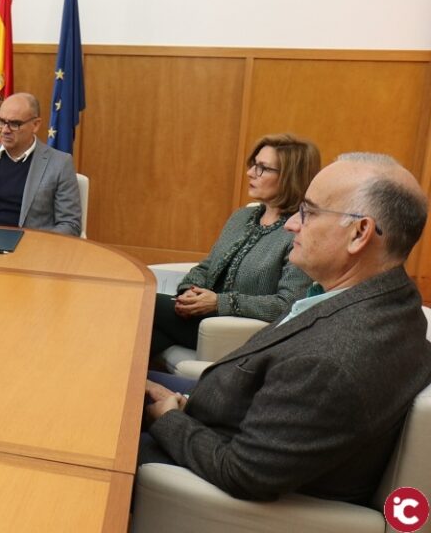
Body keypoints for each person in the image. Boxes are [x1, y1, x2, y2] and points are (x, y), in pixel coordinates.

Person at [142, 152, 431, 503]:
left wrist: (171, 418)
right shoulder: (381, 299)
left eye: (308, 212)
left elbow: (245, 473)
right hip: (221, 411)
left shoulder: (333, 359)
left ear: (359, 233)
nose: (292, 224)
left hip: (202, 475)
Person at [150, 134, 320, 359]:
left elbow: (288, 305)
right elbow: (205, 267)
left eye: (263, 168)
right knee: (143, 335)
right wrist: (189, 292)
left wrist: (219, 303)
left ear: (291, 177)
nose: (250, 173)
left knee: (140, 305)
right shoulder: (242, 216)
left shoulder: (299, 233)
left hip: (240, 331)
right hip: (198, 319)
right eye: (254, 165)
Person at [0, 93, 81, 236]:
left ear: (35, 125)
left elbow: (70, 224)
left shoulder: (60, 164)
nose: (5, 130)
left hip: (30, 249)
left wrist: (36, 245)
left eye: (14, 124)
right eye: (1, 121)